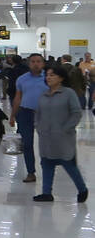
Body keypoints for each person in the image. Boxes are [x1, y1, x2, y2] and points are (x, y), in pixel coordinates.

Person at [34, 65, 89, 203]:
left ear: (61, 78)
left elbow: (76, 113)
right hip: (46, 137)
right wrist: (38, 127)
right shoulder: (44, 95)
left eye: (52, 75)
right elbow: (38, 113)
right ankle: (46, 193)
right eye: (47, 75)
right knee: (46, 163)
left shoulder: (68, 93)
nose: (48, 77)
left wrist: (66, 128)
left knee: (69, 165)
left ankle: (82, 189)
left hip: (63, 137)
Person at [10, 53, 47, 183]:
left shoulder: (49, 78)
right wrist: (13, 115)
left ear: (43, 63)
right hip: (25, 113)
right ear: (29, 63)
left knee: (45, 144)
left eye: (38, 61)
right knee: (27, 144)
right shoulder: (22, 79)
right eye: (33, 61)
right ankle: (31, 172)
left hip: (45, 114)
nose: (36, 64)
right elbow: (17, 98)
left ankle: (47, 170)